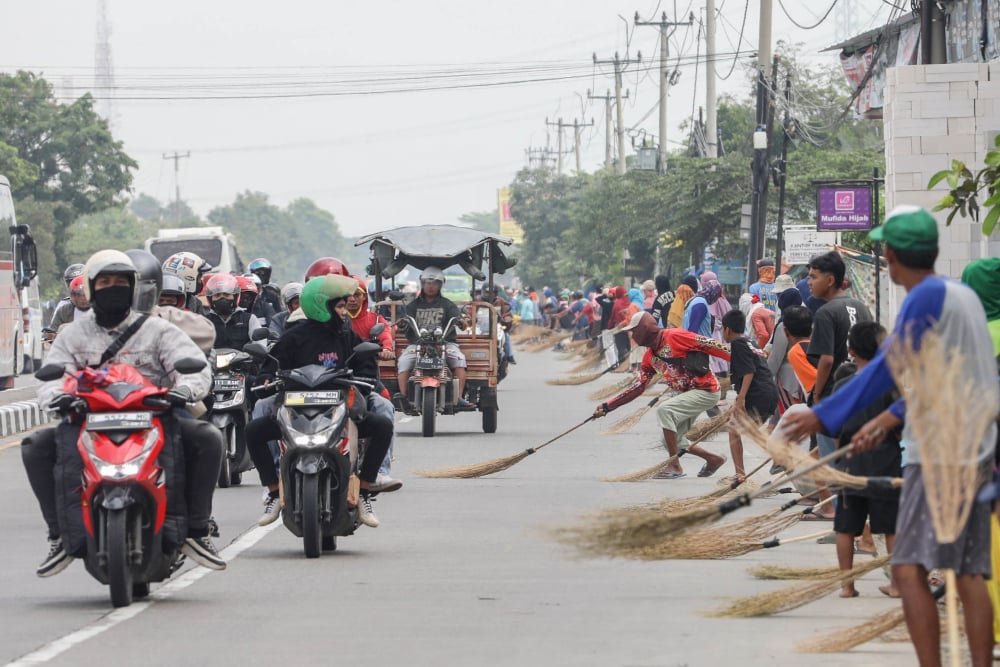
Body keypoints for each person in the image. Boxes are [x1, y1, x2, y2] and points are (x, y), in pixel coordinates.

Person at [782, 205, 998, 667]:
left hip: (939, 454)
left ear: (894, 256)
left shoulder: (925, 297)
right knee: (968, 572)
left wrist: (823, 415)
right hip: (975, 450)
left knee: (908, 567)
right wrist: (884, 420)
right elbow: (938, 378)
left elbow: (888, 365)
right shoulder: (961, 297)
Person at [23, 250, 226, 576]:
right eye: (105, 281)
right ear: (91, 287)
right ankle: (60, 535)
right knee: (36, 447)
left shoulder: (158, 330)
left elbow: (193, 367)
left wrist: (185, 390)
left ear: (133, 287)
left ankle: (197, 530)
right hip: (88, 419)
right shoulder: (72, 334)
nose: (113, 287)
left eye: (121, 281)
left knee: (208, 438)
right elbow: (52, 375)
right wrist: (58, 397)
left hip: (154, 415)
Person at [246, 275, 395, 528]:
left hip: (339, 409)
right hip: (294, 411)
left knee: (382, 425)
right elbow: (270, 367)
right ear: (321, 306)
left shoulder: (346, 335)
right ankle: (273, 492)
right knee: (253, 431)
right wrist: (266, 379)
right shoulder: (292, 337)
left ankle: (364, 491)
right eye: (340, 306)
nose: (345, 312)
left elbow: (366, 364)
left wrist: (364, 379)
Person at [593, 312, 731, 479]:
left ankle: (674, 465)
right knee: (670, 440)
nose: (632, 335)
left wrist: (741, 359)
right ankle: (713, 459)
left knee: (664, 410)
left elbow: (709, 344)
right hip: (687, 395)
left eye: (634, 331)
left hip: (706, 390)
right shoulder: (650, 357)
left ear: (644, 329)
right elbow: (638, 387)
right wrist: (608, 406)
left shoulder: (674, 336)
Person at [830, 320, 901, 599]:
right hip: (886, 462)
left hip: (850, 463)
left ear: (851, 350)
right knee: (891, 527)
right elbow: (901, 425)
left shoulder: (843, 385)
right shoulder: (891, 384)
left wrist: (840, 462)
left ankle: (847, 586)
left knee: (846, 528)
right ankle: (897, 584)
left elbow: (835, 429)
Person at [806, 251, 873, 462]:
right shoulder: (862, 308)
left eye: (813, 277)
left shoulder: (826, 313)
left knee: (834, 465)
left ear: (830, 280)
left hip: (834, 396)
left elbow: (826, 360)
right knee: (855, 461)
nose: (809, 282)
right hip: (862, 393)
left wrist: (817, 395)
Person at [345, 276, 401, 493]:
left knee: (385, 407)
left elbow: (386, 336)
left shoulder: (374, 319)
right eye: (346, 296)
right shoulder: (332, 323)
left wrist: (386, 349)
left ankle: (381, 471)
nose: (351, 300)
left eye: (357, 295)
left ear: (364, 297)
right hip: (331, 382)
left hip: (364, 380)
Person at [395, 266, 472, 410]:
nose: (431, 286)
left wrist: (462, 321)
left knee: (459, 360)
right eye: (428, 283)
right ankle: (403, 396)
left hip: (445, 344)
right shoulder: (412, 306)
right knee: (404, 361)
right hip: (417, 344)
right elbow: (403, 322)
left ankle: (459, 397)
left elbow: (460, 320)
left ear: (441, 285)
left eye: (435, 283)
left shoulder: (448, 305)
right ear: (422, 283)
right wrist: (402, 323)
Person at [721, 310, 778, 482]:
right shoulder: (750, 341)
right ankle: (781, 457)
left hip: (758, 394)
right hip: (769, 393)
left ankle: (741, 474)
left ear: (727, 329)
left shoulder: (738, 343)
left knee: (735, 430)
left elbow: (749, 372)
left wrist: (741, 399)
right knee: (748, 431)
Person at [203, 273, 262, 350]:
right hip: (213, 357)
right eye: (217, 295)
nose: (222, 298)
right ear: (211, 299)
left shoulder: (250, 319)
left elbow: (260, 344)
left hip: (244, 358)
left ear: (235, 297)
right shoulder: (204, 321)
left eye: (226, 295)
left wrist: (256, 351)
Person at [46, 264, 87, 332]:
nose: (82, 299)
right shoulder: (63, 308)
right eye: (76, 294)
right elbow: (53, 330)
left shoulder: (101, 305)